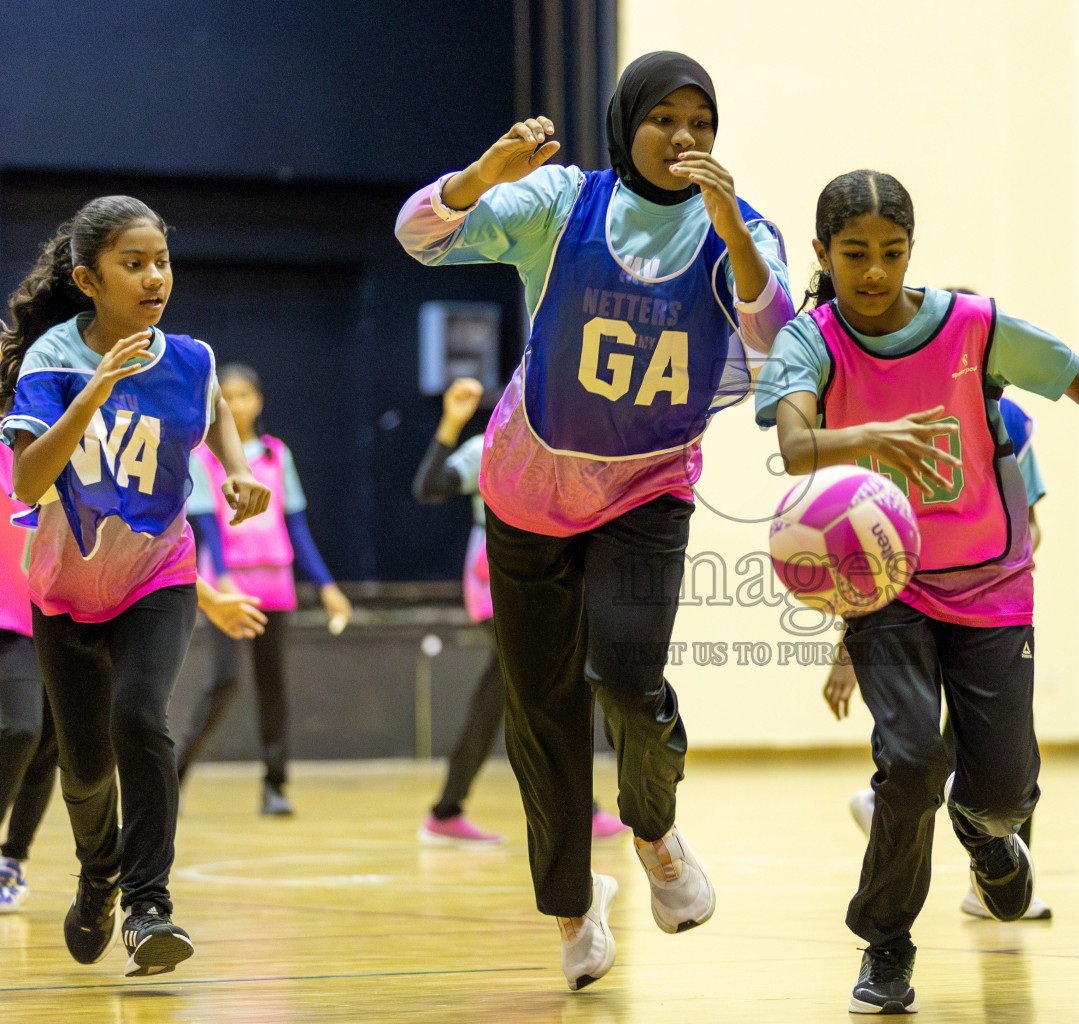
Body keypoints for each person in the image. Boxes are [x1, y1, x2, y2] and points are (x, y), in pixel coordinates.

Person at [758, 170, 1079, 1014]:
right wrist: (869, 435)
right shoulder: (810, 339)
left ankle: (989, 843)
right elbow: (797, 445)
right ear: (821, 254)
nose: (874, 272)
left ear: (912, 250)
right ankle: (885, 946)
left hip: (991, 580)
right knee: (910, 758)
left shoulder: (972, 327)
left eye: (891, 253)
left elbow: (1076, 376)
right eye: (854, 256)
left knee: (998, 791)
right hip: (889, 590)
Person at [396, 51, 793, 990]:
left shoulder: (744, 227)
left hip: (647, 488)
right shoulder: (565, 201)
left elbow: (777, 338)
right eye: (665, 118)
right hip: (527, 488)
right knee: (540, 711)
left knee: (627, 674)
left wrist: (732, 224)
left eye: (702, 120)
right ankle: (574, 910)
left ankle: (652, 831)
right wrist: (477, 180)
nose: (685, 138)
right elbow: (419, 234)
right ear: (628, 123)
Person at [0, 196, 270, 977]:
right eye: (134, 263)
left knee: (141, 720)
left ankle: (149, 906)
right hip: (64, 590)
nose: (155, 277)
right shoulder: (53, 359)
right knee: (84, 769)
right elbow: (29, 476)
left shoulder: (190, 356)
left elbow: (214, 406)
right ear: (87, 278)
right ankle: (98, 879)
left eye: (162, 261)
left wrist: (240, 470)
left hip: (159, 574)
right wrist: (93, 392)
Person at [828, 394, 1052, 922]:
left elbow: (1032, 521)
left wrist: (1007, 558)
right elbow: (857, 542)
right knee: (917, 748)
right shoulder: (873, 414)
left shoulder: (1008, 419)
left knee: (1005, 745)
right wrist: (845, 647)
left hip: (989, 606)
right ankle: (890, 926)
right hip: (906, 607)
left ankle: (991, 867)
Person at [411, 376, 627, 845]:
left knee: (499, 697)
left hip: (543, 578)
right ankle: (580, 808)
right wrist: (450, 423)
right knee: (551, 684)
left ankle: (446, 811)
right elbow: (428, 486)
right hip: (494, 579)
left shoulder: (565, 448)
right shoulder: (488, 445)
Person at [176, 362, 353, 816]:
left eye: (244, 395)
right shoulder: (204, 457)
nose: (236, 404)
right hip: (229, 586)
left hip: (275, 583)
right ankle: (174, 776)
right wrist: (224, 577)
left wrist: (326, 586)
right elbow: (207, 526)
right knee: (226, 680)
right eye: (227, 397)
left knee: (273, 687)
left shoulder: (277, 455)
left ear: (258, 400)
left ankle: (275, 786)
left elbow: (296, 525)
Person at [0, 439, 56, 913]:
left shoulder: (44, 441)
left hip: (51, 608)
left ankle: (12, 858)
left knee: (50, 740)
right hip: (9, 621)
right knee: (20, 729)